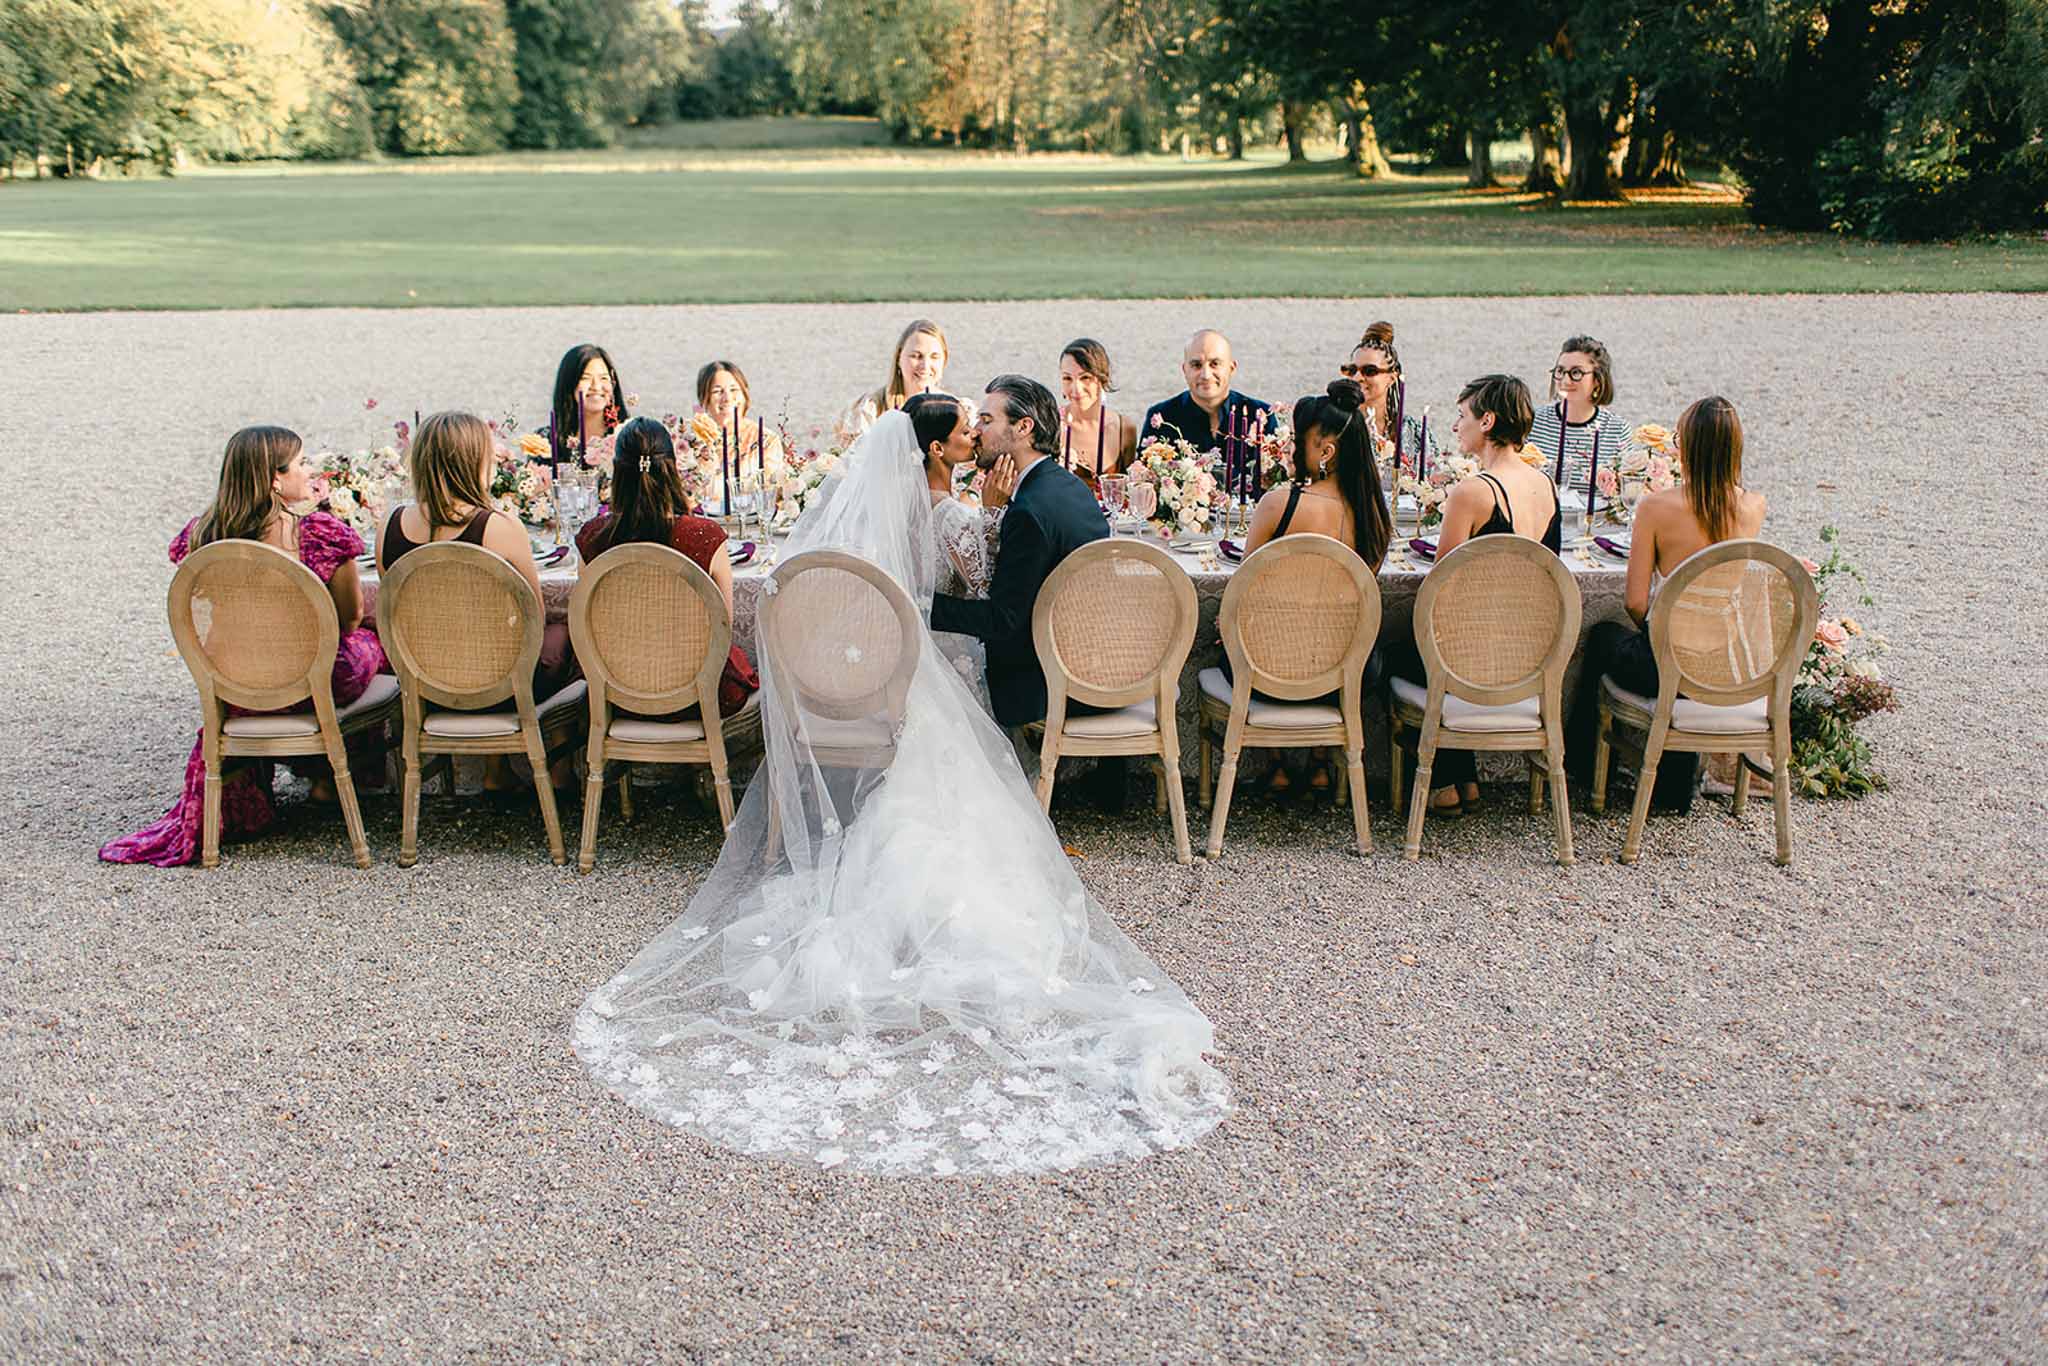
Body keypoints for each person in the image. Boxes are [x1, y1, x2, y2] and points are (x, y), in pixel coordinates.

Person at [572, 407, 1228, 1177]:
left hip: (870, 675)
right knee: (958, 765)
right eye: (963, 430)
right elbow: (983, 596)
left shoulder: (896, 506)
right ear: (935, 448)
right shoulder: (947, 510)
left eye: (982, 424)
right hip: (917, 674)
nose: (975, 436)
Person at [101, 427, 388, 867]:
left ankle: (320, 773)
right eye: (301, 463)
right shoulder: (319, 534)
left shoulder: (203, 537)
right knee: (375, 640)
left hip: (236, 684)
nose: (310, 470)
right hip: (310, 684)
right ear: (275, 480)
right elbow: (347, 619)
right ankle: (338, 776)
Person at [1564, 396, 1767, 813]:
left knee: (1605, 636)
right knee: (1677, 652)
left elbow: (1636, 602)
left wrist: (1661, 627)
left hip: (1671, 663)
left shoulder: (1658, 507)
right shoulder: (1753, 506)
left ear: (1686, 447)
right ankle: (1674, 786)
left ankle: (1585, 768)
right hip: (1724, 663)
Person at [379, 411, 579, 793]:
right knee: (563, 635)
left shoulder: (390, 526)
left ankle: (497, 771)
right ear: (474, 463)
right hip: (500, 685)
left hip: (425, 684)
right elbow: (531, 619)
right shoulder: (499, 528)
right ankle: (559, 768)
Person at [1390, 373, 1558, 817]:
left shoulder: (1473, 492)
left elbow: (1438, 589)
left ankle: (1443, 779)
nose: (1455, 426)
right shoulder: (1546, 486)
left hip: (1475, 659)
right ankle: (1465, 778)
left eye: (1461, 416)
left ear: (1486, 421)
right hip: (1530, 655)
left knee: (1400, 649)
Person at [1227, 380, 1395, 801]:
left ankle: (1280, 766)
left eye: (1299, 438)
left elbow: (1243, 592)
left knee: (1241, 638)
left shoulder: (1279, 504)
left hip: (1271, 671)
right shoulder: (1374, 514)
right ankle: (1321, 763)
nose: (1290, 447)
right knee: (1328, 635)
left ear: (1325, 449)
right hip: (1345, 671)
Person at [931, 375, 1108, 731]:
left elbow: (1002, 620)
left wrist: (919, 604)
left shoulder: (1029, 510)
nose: (976, 431)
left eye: (986, 420)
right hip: (1100, 666)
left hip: (1047, 685)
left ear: (1023, 427)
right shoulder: (1071, 486)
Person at [574, 417, 758, 718]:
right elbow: (723, 627)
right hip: (700, 695)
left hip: (619, 696)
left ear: (618, 473)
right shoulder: (706, 536)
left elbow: (588, 624)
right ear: (672, 469)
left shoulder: (593, 538)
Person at [1141, 330, 1273, 466]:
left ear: (1231, 368)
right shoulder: (1162, 417)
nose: (1206, 375)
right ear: (1185, 370)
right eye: (1196, 365)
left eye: (1215, 364)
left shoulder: (1261, 415)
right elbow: (1145, 480)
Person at [1527, 334, 1629, 495]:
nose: (1565, 381)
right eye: (1560, 371)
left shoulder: (1617, 429)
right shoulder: (1533, 422)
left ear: (1597, 380)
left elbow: (1627, 488)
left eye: (1576, 373)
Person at [835, 318, 948, 445]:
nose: (925, 366)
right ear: (898, 358)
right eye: (916, 356)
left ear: (944, 360)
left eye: (934, 357)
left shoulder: (959, 412)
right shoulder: (869, 410)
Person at [1343, 321, 1431, 471]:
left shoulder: (1412, 431)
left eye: (1369, 371)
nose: (1358, 378)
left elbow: (1429, 478)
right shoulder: (1336, 424)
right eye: (1352, 370)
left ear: (1392, 377)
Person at [1057, 338, 1137, 484]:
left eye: (1085, 377)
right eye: (1067, 378)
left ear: (1102, 378)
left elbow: (1129, 492)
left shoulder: (1124, 428)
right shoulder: (1051, 426)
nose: (1076, 388)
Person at [694, 360, 782, 479]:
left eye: (734, 389)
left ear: (744, 395)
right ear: (704, 400)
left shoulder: (766, 440)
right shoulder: (692, 443)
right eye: (717, 391)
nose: (727, 398)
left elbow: (773, 490)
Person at [550, 344, 629, 467]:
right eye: (585, 378)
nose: (596, 387)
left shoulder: (629, 437)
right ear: (569, 384)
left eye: (603, 378)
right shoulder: (547, 441)